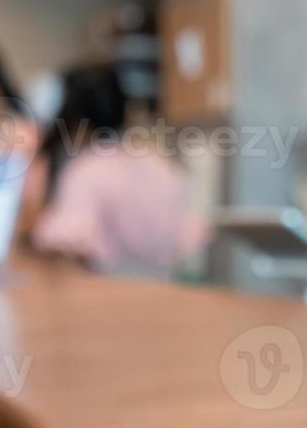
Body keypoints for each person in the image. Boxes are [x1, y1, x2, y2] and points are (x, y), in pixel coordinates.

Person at [30, 64, 207, 278]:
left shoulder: (85, 171)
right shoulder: (158, 162)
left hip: (106, 297)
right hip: (163, 292)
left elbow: (66, 248)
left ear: (72, 116)